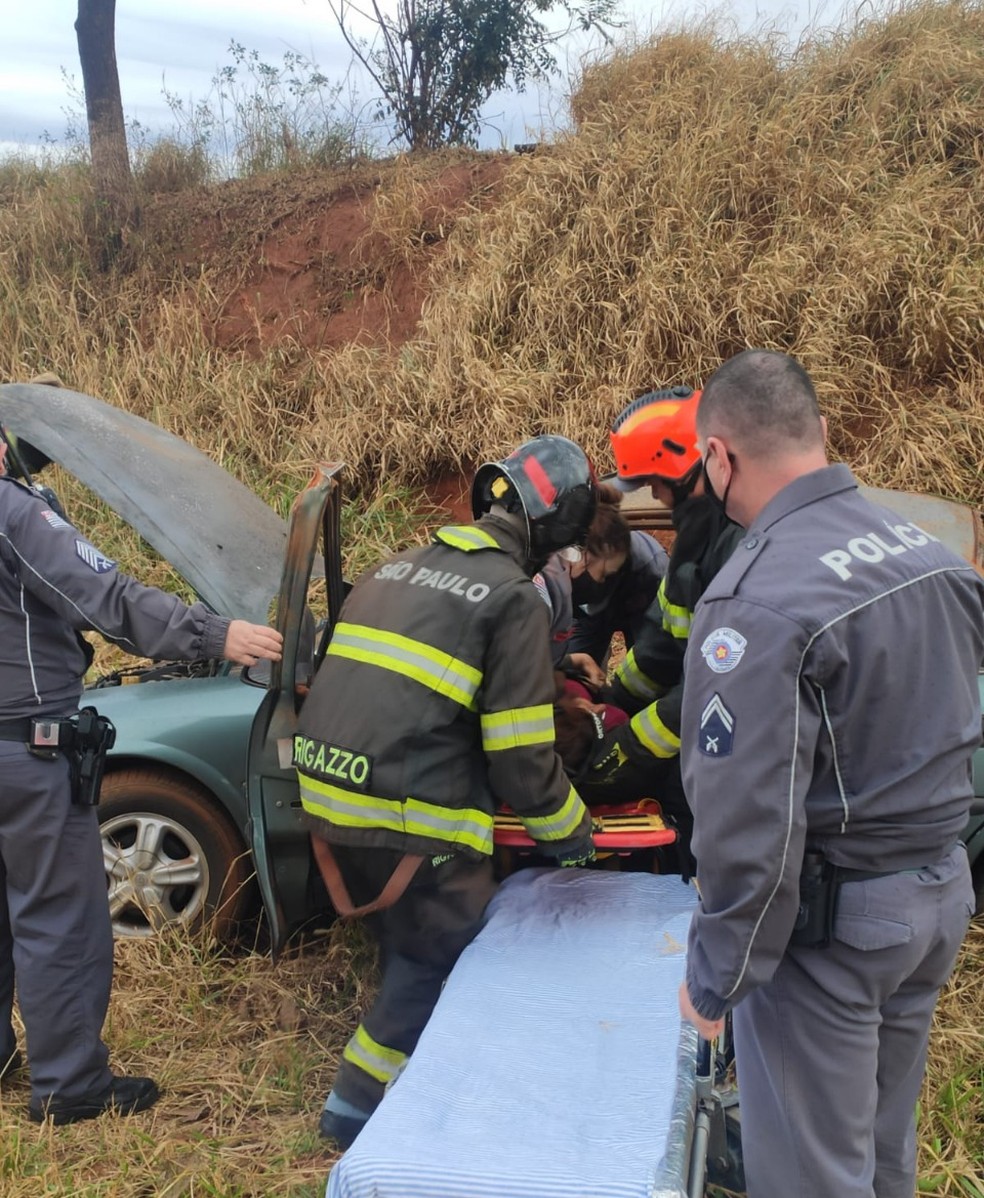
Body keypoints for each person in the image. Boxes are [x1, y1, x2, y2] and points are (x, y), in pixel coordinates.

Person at [677, 349, 984, 1198]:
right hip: (935, 896)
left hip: (837, 931)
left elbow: (748, 824)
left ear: (718, 458)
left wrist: (716, 977)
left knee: (815, 1174)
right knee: (883, 1147)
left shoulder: (754, 601)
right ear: (818, 433)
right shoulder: (929, 556)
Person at [295, 434, 599, 1151]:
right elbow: (524, 763)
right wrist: (576, 837)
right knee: (444, 954)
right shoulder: (510, 600)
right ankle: (354, 1113)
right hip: (402, 821)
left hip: (326, 807)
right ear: (555, 531)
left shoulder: (395, 568)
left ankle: (405, 1084)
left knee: (412, 946)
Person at [0, 428, 283, 1125]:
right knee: (58, 920)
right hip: (24, 750)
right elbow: (107, 597)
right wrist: (215, 636)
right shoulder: (13, 514)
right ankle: (70, 1088)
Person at [577, 386, 743, 866]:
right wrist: (613, 698)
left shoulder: (739, 548)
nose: (654, 495)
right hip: (695, 738)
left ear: (695, 466)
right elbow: (663, 647)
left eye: (657, 481)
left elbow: (711, 688)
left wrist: (626, 748)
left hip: (724, 752)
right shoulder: (695, 541)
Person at [532, 482, 636, 686]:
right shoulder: (543, 597)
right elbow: (524, 674)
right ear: (584, 557)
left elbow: (537, 660)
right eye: (604, 574)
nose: (602, 583)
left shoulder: (546, 573)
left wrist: (577, 660)